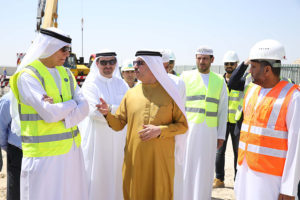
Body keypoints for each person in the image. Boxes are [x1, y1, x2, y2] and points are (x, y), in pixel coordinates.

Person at [9, 27, 89, 200]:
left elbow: (85, 108)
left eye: (69, 49)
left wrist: (62, 109)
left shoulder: (67, 73)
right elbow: (50, 114)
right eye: (63, 49)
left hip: (71, 153)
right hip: (43, 158)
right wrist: (72, 103)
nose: (67, 54)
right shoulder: (28, 76)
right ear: (48, 46)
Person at [97, 50, 188, 200]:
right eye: (134, 63)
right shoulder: (131, 94)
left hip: (160, 161)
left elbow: (183, 125)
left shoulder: (170, 93)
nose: (135, 66)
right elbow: (119, 124)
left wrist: (160, 130)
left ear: (154, 66)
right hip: (135, 160)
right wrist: (107, 114)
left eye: (140, 63)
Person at [234, 39, 300, 200]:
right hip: (245, 171)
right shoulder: (251, 91)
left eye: (253, 66)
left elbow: (297, 146)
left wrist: (289, 188)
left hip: (271, 180)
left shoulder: (293, 97)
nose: (249, 70)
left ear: (267, 70)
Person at [79, 50, 129, 200]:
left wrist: (109, 109)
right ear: (97, 64)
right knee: (97, 177)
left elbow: (130, 108)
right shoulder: (90, 84)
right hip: (97, 141)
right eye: (104, 62)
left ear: (116, 63)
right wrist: (117, 110)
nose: (108, 66)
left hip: (119, 138)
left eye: (111, 62)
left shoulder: (121, 84)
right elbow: (94, 112)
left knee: (117, 175)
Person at [182, 46, 228, 200]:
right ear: (195, 58)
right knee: (187, 167)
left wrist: (221, 134)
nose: (202, 61)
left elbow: (223, 110)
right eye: (199, 58)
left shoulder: (219, 80)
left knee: (205, 168)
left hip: (209, 132)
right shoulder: (185, 77)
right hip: (188, 131)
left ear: (212, 60)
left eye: (205, 58)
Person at [213, 51, 241, 188]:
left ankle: (238, 181)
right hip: (223, 121)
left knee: (237, 152)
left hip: (236, 122)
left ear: (237, 64)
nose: (229, 66)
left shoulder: (242, 80)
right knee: (219, 152)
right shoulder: (219, 81)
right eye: (226, 63)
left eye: (232, 63)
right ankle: (219, 179)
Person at [0, 92, 23, 200]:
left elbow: (1, 131)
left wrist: (6, 147)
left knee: (15, 192)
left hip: (16, 150)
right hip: (18, 152)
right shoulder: (8, 100)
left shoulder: (7, 99)